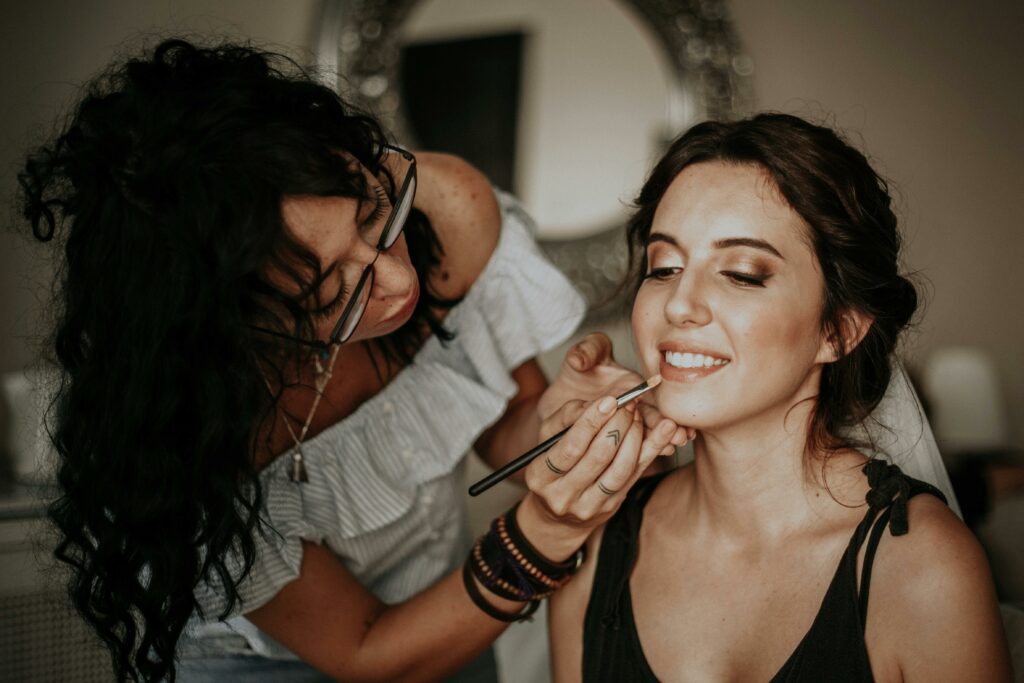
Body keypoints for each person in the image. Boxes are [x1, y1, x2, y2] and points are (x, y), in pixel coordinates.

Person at [19, 39, 691, 682]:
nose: (399, 283)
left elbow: (505, 420)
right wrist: (544, 533)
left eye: (374, 217)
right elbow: (368, 651)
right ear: (234, 328)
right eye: (332, 293)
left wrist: (561, 425)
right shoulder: (186, 432)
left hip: (460, 617)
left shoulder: (445, 212)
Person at [548, 114, 1013, 681]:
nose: (678, 304)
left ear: (837, 331)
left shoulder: (923, 568)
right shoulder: (597, 545)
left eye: (742, 273)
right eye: (664, 267)